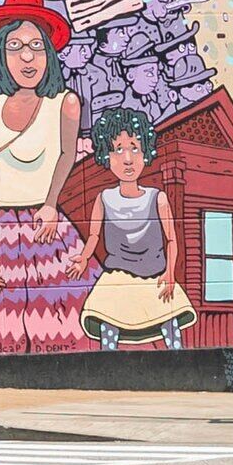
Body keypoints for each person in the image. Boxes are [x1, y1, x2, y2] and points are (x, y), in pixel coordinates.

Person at [0, 0, 96, 351]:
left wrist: (51, 204)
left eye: (37, 46)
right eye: (15, 47)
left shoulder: (64, 102)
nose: (26, 58)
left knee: (56, 319)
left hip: (40, 223)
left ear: (49, 54)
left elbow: (67, 155)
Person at [73, 108, 195, 350]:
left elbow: (171, 240)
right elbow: (94, 235)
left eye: (135, 148)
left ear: (146, 153)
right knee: (109, 322)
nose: (127, 159)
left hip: (155, 277)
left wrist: (170, 272)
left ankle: (177, 366)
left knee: (169, 326)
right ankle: (107, 371)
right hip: (117, 278)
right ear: (106, 155)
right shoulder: (104, 198)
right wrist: (83, 259)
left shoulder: (157, 198)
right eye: (118, 149)